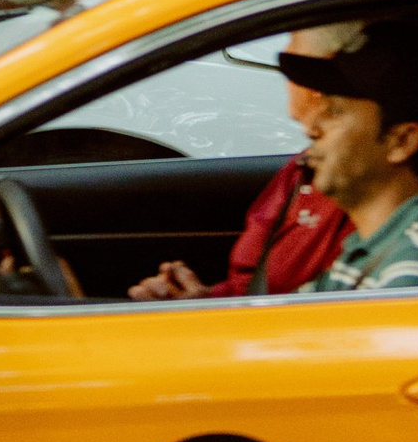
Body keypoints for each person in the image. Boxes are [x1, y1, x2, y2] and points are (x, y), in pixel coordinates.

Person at [130, 23, 355, 301]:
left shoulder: (364, 193)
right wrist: (202, 301)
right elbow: (253, 291)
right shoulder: (304, 172)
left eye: (293, 47)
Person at [275, 19, 418, 294]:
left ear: (401, 142)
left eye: (334, 112)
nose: (311, 128)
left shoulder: (416, 273)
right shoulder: (377, 247)